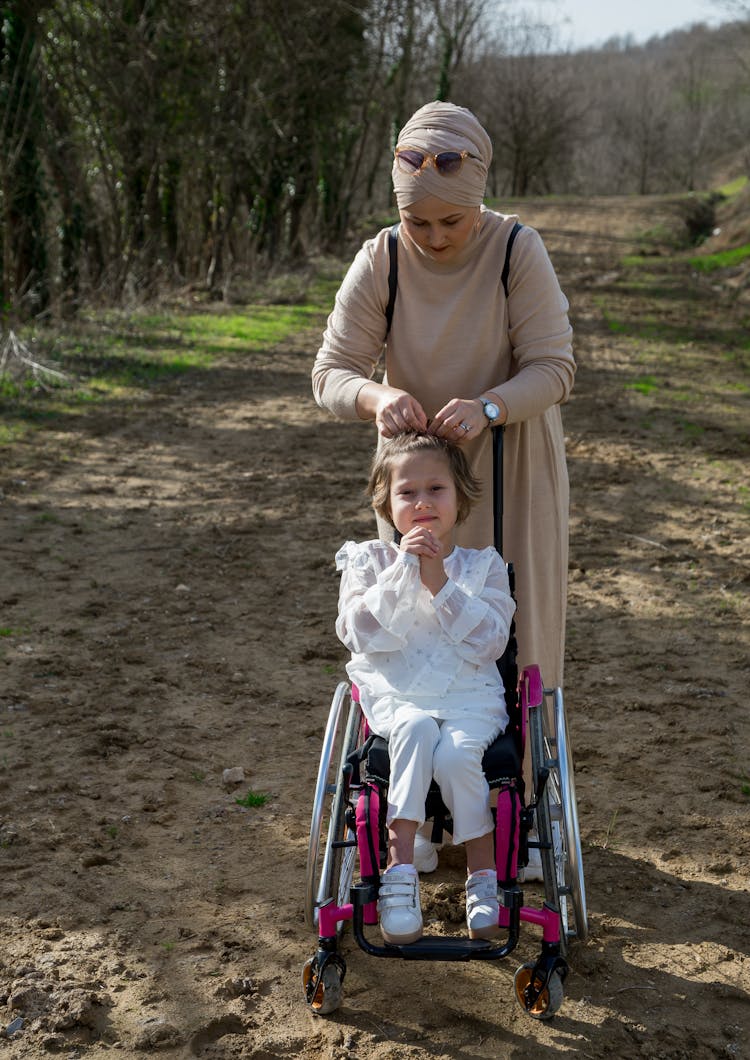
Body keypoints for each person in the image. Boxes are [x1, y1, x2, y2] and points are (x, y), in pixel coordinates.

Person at [312, 100, 575, 707]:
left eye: (452, 222)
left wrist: (489, 407)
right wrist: (377, 397)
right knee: (416, 628)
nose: (433, 237)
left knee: (510, 630)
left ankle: (514, 784)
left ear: (479, 197)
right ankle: (413, 775)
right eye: (416, 221)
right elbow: (331, 374)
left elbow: (553, 368)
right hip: (417, 481)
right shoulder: (381, 259)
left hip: (511, 472)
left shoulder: (517, 250)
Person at [335, 432, 516, 945]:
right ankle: (399, 871)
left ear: (459, 500)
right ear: (386, 504)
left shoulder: (483, 567)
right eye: (407, 492)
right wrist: (405, 572)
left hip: (470, 698)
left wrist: (436, 576)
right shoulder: (370, 562)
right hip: (399, 696)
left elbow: (489, 642)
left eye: (436, 489)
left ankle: (483, 876)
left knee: (459, 756)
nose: (421, 503)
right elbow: (361, 635)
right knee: (413, 730)